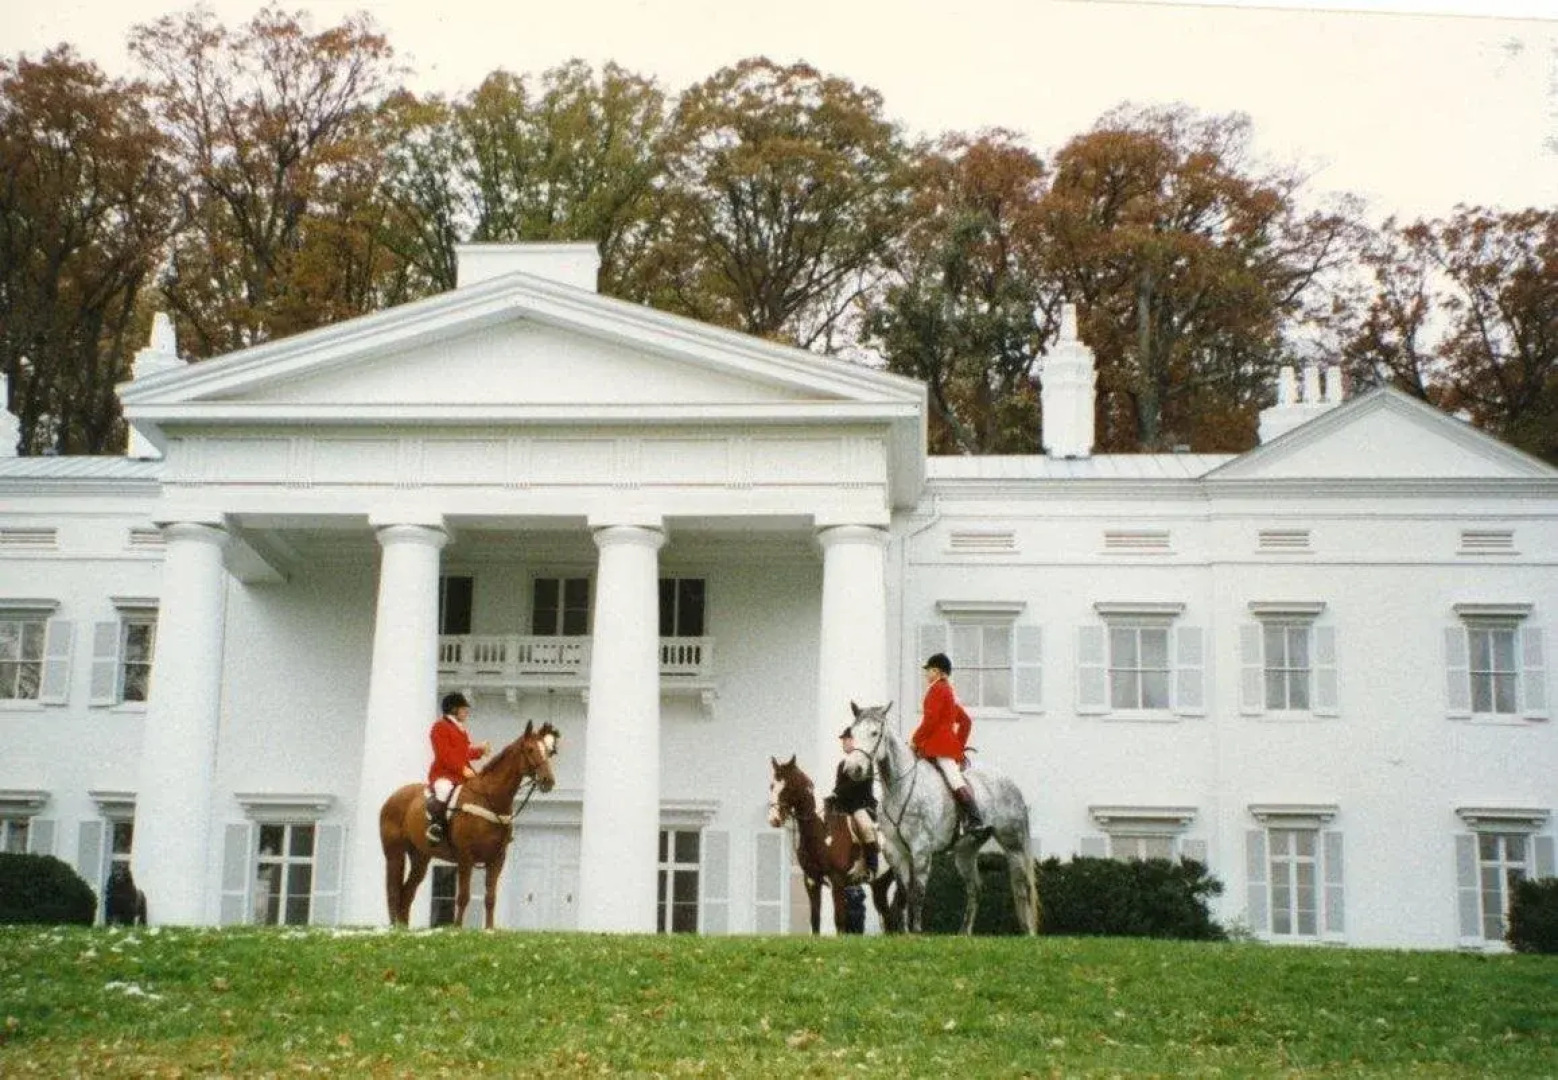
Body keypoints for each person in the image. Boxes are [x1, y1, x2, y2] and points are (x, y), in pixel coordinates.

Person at [911, 653, 992, 841]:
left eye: (929, 670)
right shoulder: (949, 692)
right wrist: (958, 747)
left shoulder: (937, 690)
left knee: (955, 780)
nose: (926, 675)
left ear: (938, 672)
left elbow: (930, 720)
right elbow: (966, 722)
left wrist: (915, 739)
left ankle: (975, 818)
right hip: (940, 746)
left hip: (937, 747)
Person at [426, 691, 489, 844]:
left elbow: (464, 753)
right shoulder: (439, 727)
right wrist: (462, 769)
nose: (466, 712)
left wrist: (480, 750)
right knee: (444, 790)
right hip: (444, 773)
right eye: (463, 709)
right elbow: (444, 754)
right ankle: (436, 826)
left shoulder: (460, 729)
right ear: (454, 709)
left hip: (462, 774)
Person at [829, 725, 881, 884]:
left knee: (865, 827)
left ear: (854, 741)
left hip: (861, 805)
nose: (843, 743)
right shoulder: (841, 764)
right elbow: (838, 786)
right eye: (843, 740)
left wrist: (838, 792)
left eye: (846, 739)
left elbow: (856, 786)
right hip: (845, 807)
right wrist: (832, 799)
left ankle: (872, 867)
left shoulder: (864, 763)